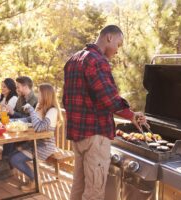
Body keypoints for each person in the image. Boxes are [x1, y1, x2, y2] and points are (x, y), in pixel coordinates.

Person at [62, 25, 147, 200]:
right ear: (109, 37)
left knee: (79, 186)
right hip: (95, 136)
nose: (117, 50)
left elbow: (66, 100)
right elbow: (109, 99)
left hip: (78, 135)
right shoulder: (97, 60)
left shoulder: (73, 59)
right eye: (119, 44)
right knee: (94, 192)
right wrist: (132, 115)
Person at [10, 83, 63, 192]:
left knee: (15, 159)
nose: (38, 95)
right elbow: (30, 120)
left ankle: (35, 180)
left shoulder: (52, 111)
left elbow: (39, 127)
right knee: (13, 152)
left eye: (39, 92)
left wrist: (31, 110)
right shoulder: (41, 106)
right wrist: (11, 121)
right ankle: (31, 177)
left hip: (45, 146)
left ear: (46, 95)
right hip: (35, 143)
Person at [0, 76, 38, 180]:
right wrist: (9, 113)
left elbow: (30, 120)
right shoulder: (21, 98)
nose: (16, 89)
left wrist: (13, 113)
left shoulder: (35, 100)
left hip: (30, 133)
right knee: (6, 137)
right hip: (20, 129)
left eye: (18, 87)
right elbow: (17, 114)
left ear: (25, 86)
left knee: (9, 141)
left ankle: (7, 167)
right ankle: (6, 166)